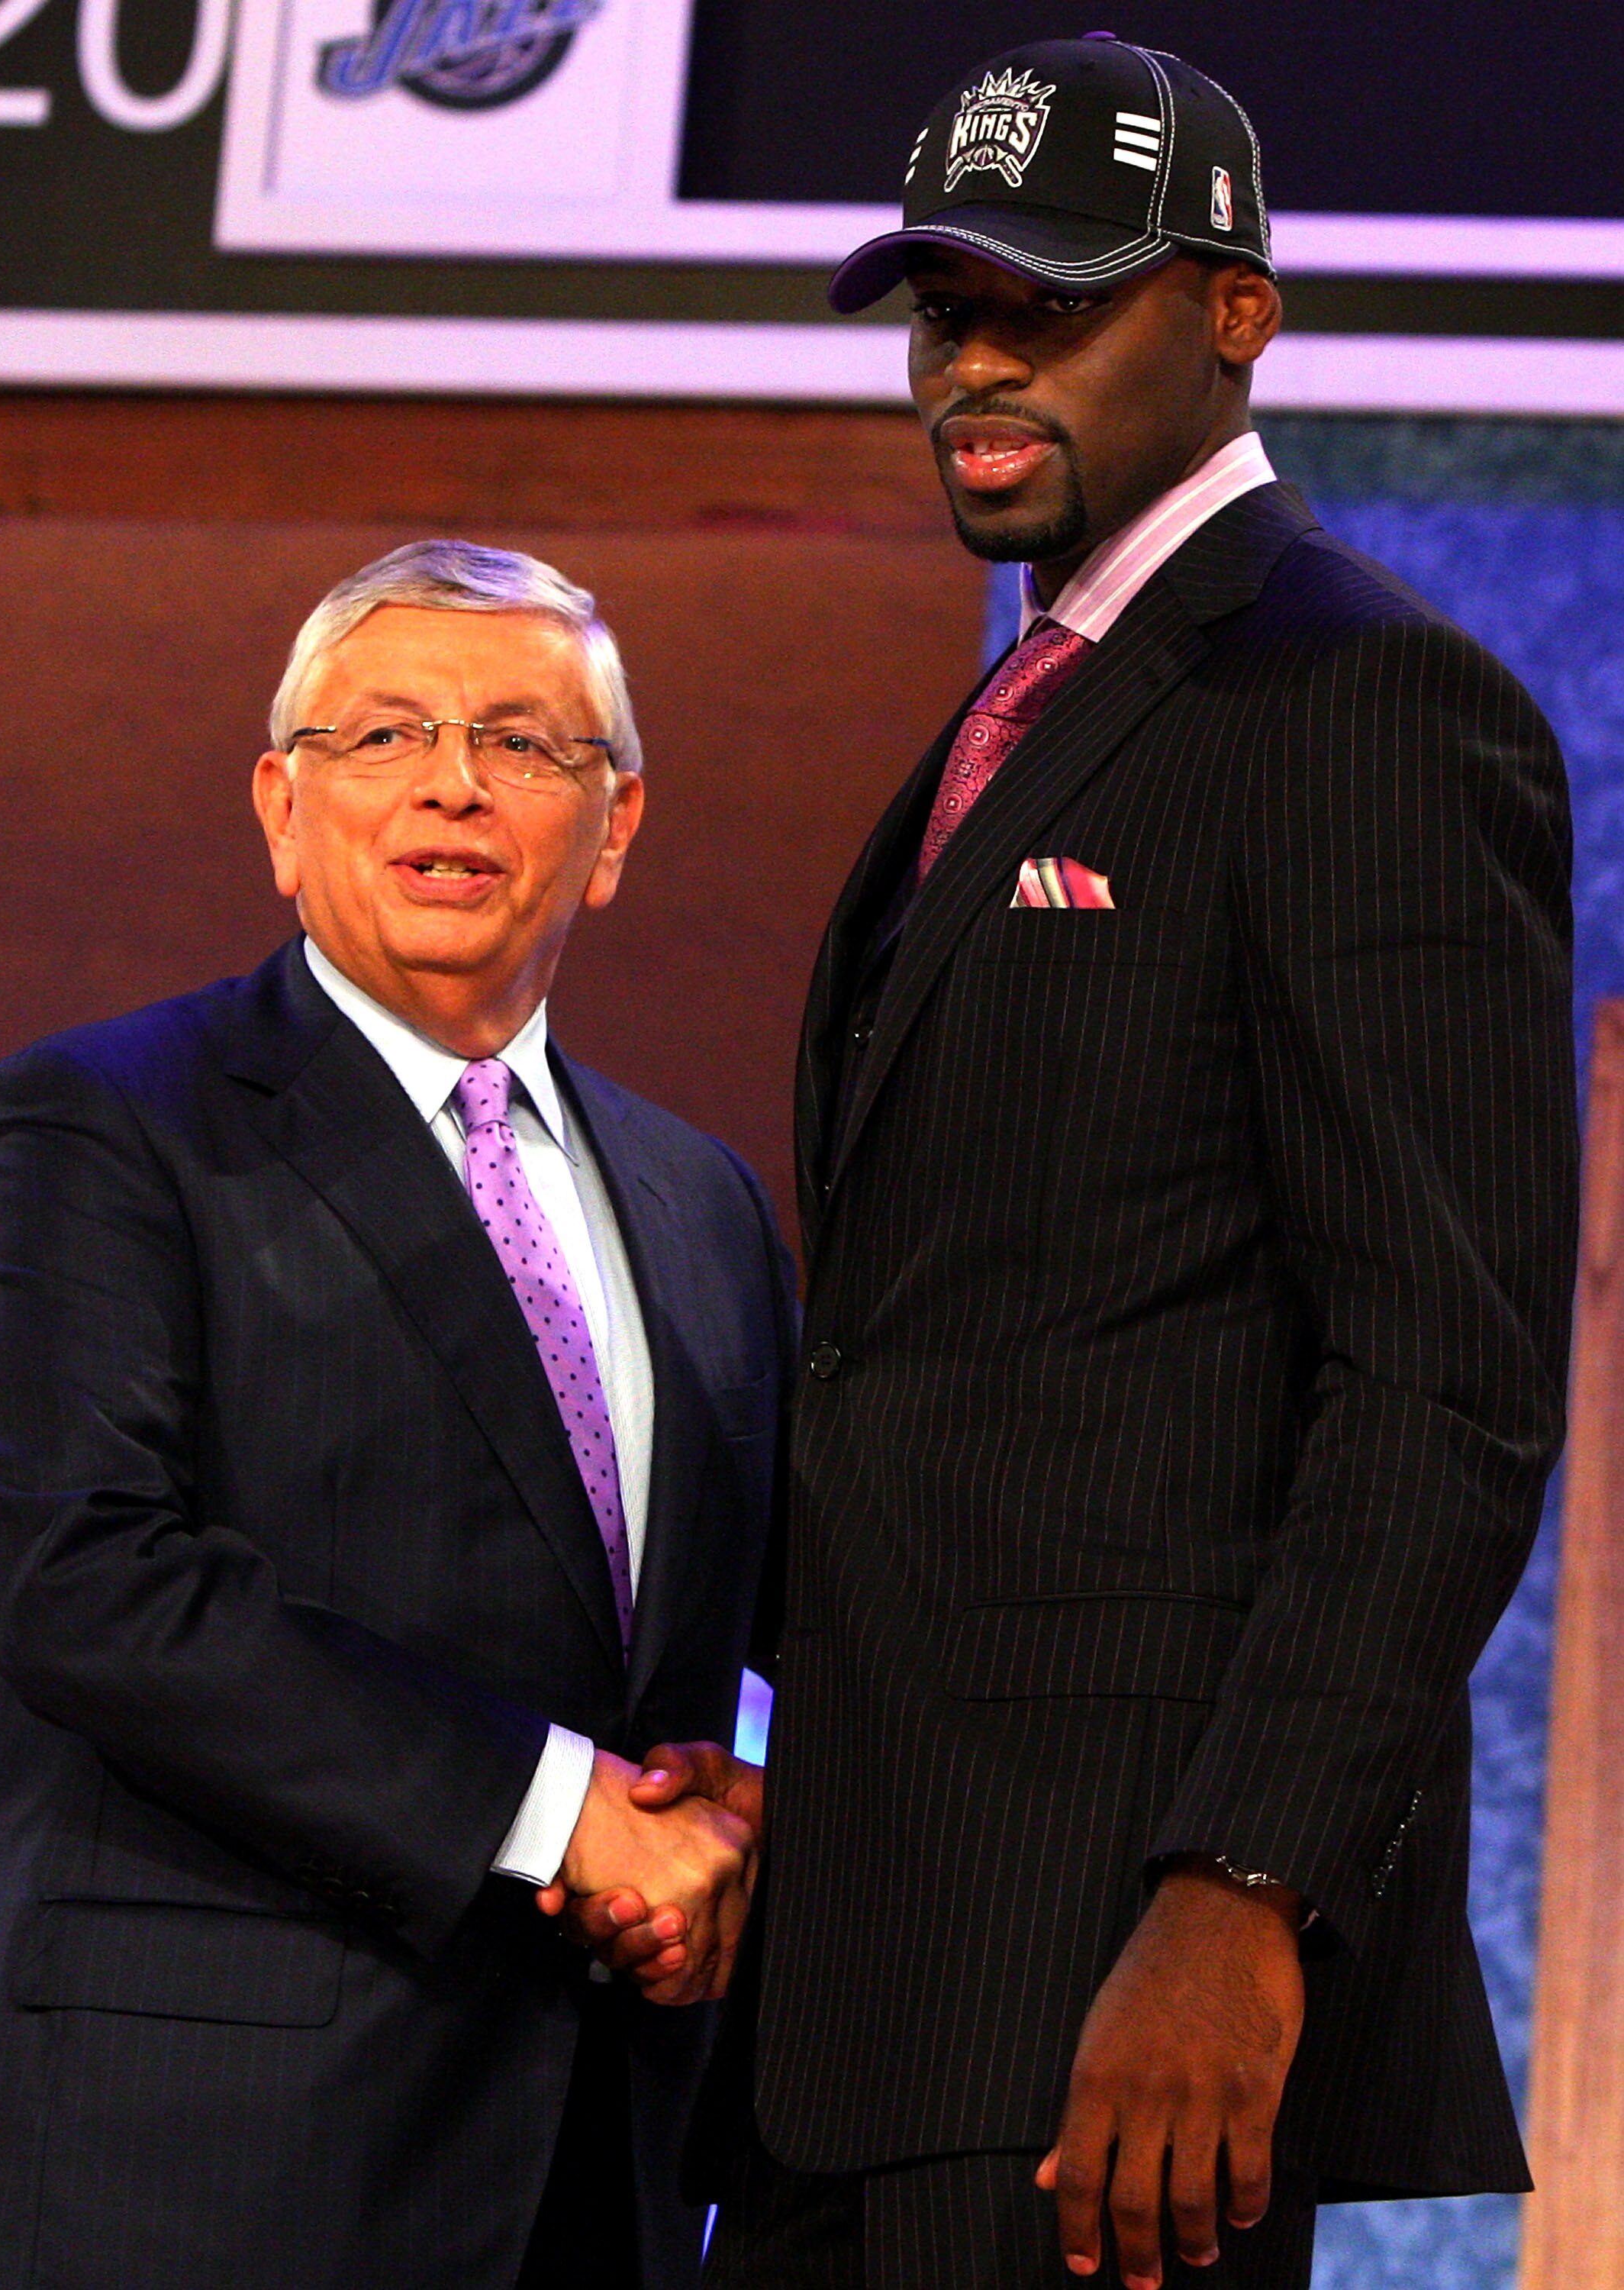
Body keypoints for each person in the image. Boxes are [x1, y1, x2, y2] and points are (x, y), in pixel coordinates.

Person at [591, 34, 1578, 2290]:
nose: (974, 362)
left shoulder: (1360, 699)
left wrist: (1241, 1892)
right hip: (873, 1997)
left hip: (1121, 2018)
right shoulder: (1023, 708)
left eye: (1048, 302)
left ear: (1235, 312)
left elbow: (1442, 1383)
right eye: (943, 309)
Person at [0, 541, 794, 2290]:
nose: (453, 782)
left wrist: (763, 1826)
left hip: (585, 2170)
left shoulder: (703, 1205)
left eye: (523, 743)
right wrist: (567, 1809)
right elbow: (85, 1584)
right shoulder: (104, 1122)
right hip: (170, 2168)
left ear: (614, 827)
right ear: (281, 809)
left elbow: (806, 1609)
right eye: (383, 734)